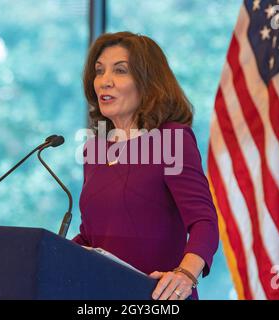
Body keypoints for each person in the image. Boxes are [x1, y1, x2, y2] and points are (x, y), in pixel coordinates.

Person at [72, 31, 219, 300]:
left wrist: (185, 275)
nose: (104, 81)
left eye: (120, 71)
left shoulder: (171, 139)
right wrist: (52, 253)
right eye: (99, 71)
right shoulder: (94, 149)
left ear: (147, 82)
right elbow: (92, 235)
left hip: (157, 298)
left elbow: (204, 222)